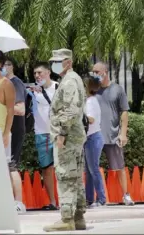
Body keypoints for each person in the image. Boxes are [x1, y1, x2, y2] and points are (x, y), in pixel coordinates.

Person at [43, 49, 87, 232]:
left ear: (68, 62)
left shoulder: (69, 81)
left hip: (67, 138)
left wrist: (62, 133)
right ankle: (78, 217)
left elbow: (71, 110)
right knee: (75, 177)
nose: (54, 64)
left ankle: (67, 218)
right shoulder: (72, 78)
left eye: (58, 61)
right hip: (74, 137)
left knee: (66, 176)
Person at [93, 62, 135, 206]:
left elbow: (124, 112)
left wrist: (123, 133)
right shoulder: (92, 90)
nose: (95, 74)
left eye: (97, 71)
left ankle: (126, 195)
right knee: (92, 168)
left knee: (119, 167)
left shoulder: (117, 89)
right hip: (94, 136)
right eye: (93, 72)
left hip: (112, 135)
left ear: (105, 71)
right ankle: (96, 198)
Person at [31, 62, 58, 210]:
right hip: (41, 133)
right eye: (35, 73)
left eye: (40, 72)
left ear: (48, 72)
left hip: (58, 133)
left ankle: (67, 200)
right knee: (46, 169)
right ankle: (53, 202)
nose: (37, 75)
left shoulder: (58, 87)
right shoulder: (33, 91)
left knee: (62, 168)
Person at [3, 57, 27, 213]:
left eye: (8, 64)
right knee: (4, 167)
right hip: (4, 130)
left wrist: (0, 107)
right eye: (2, 64)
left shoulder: (15, 83)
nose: (4, 67)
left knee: (11, 166)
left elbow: (20, 109)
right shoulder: (2, 83)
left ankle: (18, 202)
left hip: (14, 130)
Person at [83, 75, 106, 207]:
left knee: (94, 170)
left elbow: (90, 119)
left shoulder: (91, 101)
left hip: (93, 137)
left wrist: (79, 116)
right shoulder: (89, 100)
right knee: (89, 170)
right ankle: (89, 198)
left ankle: (101, 199)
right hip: (90, 138)